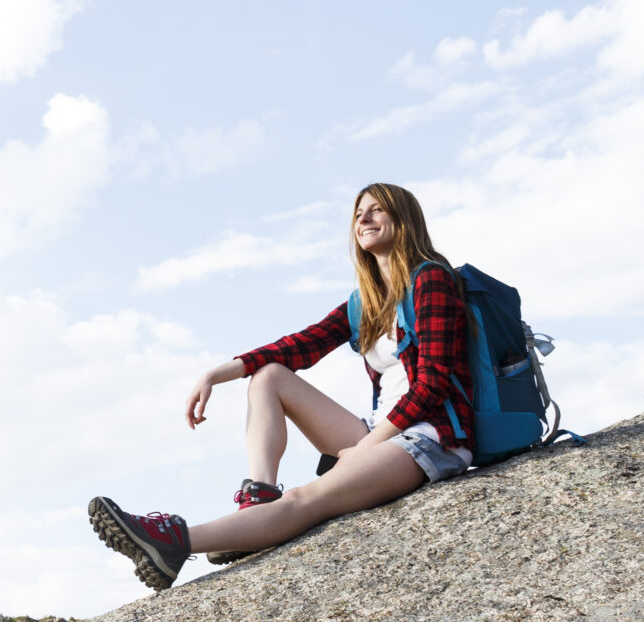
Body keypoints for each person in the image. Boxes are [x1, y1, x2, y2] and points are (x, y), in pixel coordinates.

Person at [89, 182, 475, 592]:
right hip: (381, 431)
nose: (363, 219)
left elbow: (432, 385)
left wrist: (365, 449)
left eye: (378, 210)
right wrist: (215, 375)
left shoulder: (431, 279)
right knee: (269, 374)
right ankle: (259, 498)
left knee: (306, 501)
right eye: (359, 212)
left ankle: (174, 542)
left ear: (404, 219)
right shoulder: (366, 300)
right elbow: (301, 345)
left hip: (431, 438)